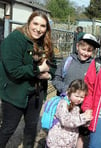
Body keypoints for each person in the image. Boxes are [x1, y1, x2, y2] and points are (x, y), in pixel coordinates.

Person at [0, 11, 56, 148]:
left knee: (31, 128)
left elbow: (53, 65)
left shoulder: (46, 42)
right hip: (15, 92)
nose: (38, 29)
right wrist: (39, 70)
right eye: (35, 23)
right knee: (8, 128)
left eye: (43, 26)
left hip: (36, 93)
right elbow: (14, 70)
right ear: (29, 23)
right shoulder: (15, 39)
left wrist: (49, 75)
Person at [52, 33, 100, 147]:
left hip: (83, 106)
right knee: (64, 130)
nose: (85, 53)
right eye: (83, 49)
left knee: (81, 134)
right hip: (66, 105)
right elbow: (56, 79)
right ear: (77, 46)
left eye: (89, 50)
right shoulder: (68, 61)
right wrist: (68, 91)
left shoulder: (94, 65)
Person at [46, 79, 93, 148]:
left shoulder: (76, 107)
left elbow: (76, 122)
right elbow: (66, 121)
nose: (79, 99)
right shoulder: (63, 104)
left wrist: (87, 121)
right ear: (69, 92)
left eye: (82, 97)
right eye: (77, 96)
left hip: (68, 143)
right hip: (57, 143)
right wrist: (83, 117)